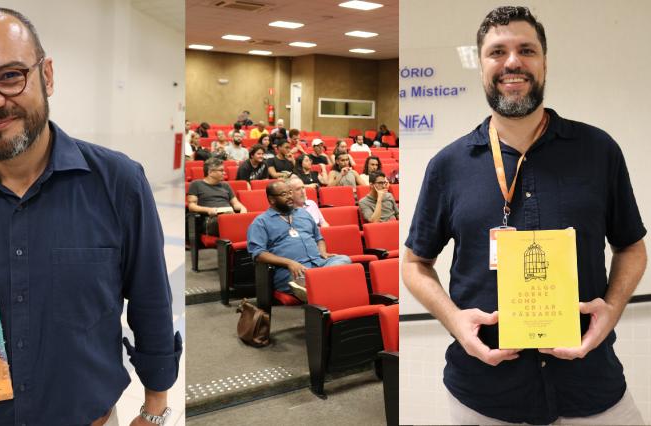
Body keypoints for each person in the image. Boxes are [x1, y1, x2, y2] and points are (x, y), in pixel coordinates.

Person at [0, 8, 180, 425]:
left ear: (46, 75)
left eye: (11, 75)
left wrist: (155, 408)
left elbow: (151, 303)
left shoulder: (119, 183)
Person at [402, 6, 647, 425]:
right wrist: (455, 322)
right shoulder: (448, 165)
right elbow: (414, 263)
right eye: (497, 52)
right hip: (484, 393)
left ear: (544, 62)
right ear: (480, 65)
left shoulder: (598, 150)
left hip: (592, 385)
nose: (512, 62)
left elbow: (631, 247)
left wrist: (612, 308)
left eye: (526, 50)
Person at [247, 180, 349, 301]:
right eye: (284, 194)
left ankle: (315, 287)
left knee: (344, 260)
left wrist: (323, 252)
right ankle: (321, 287)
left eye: (290, 192)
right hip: (293, 271)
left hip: (318, 263)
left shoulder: (303, 213)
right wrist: (289, 263)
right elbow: (258, 254)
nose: (290, 196)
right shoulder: (261, 222)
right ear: (272, 199)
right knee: (309, 278)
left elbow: (319, 238)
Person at [187, 158, 247, 235]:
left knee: (250, 219)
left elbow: (235, 204)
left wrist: (243, 208)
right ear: (210, 172)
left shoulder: (225, 185)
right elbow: (191, 206)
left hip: (230, 215)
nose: (224, 173)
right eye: (221, 170)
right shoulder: (196, 184)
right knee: (232, 221)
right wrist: (208, 210)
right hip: (210, 220)